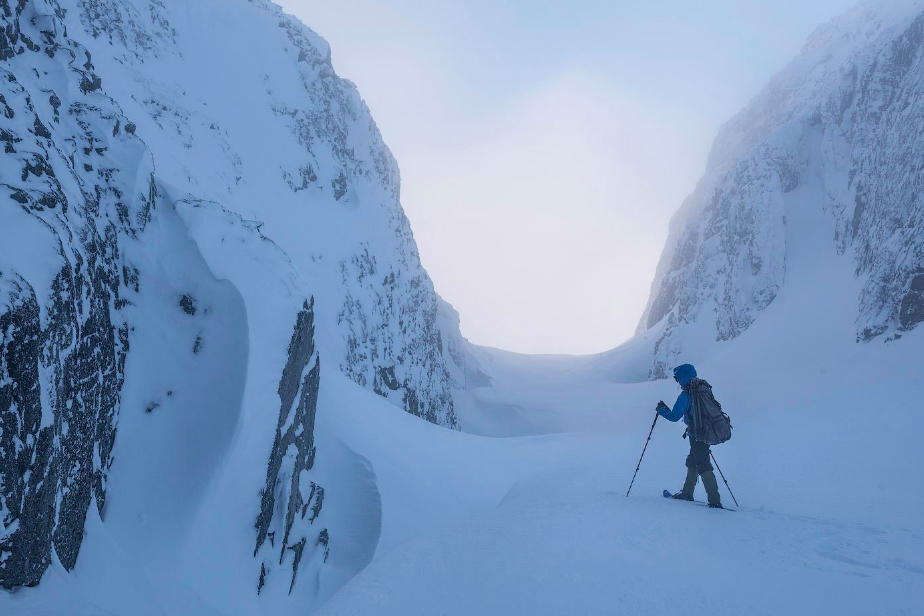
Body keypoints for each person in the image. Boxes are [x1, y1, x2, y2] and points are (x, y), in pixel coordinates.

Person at [656, 363, 723, 509]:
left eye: (677, 378)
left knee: (703, 464)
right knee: (693, 461)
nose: (677, 381)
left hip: (697, 434)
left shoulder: (687, 394)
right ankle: (687, 493)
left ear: (682, 377)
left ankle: (714, 500)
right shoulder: (703, 388)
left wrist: (661, 410)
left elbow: (674, 417)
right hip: (706, 432)